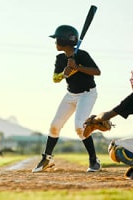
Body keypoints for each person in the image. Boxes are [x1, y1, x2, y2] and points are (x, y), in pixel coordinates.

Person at [32, 25, 102, 173]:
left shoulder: (82, 55)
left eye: (57, 39)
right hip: (71, 95)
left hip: (87, 94)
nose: (55, 42)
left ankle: (94, 160)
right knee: (54, 126)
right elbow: (55, 79)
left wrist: (78, 67)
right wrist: (65, 73)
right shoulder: (60, 58)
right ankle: (47, 158)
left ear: (64, 41)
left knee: (79, 127)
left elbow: (97, 71)